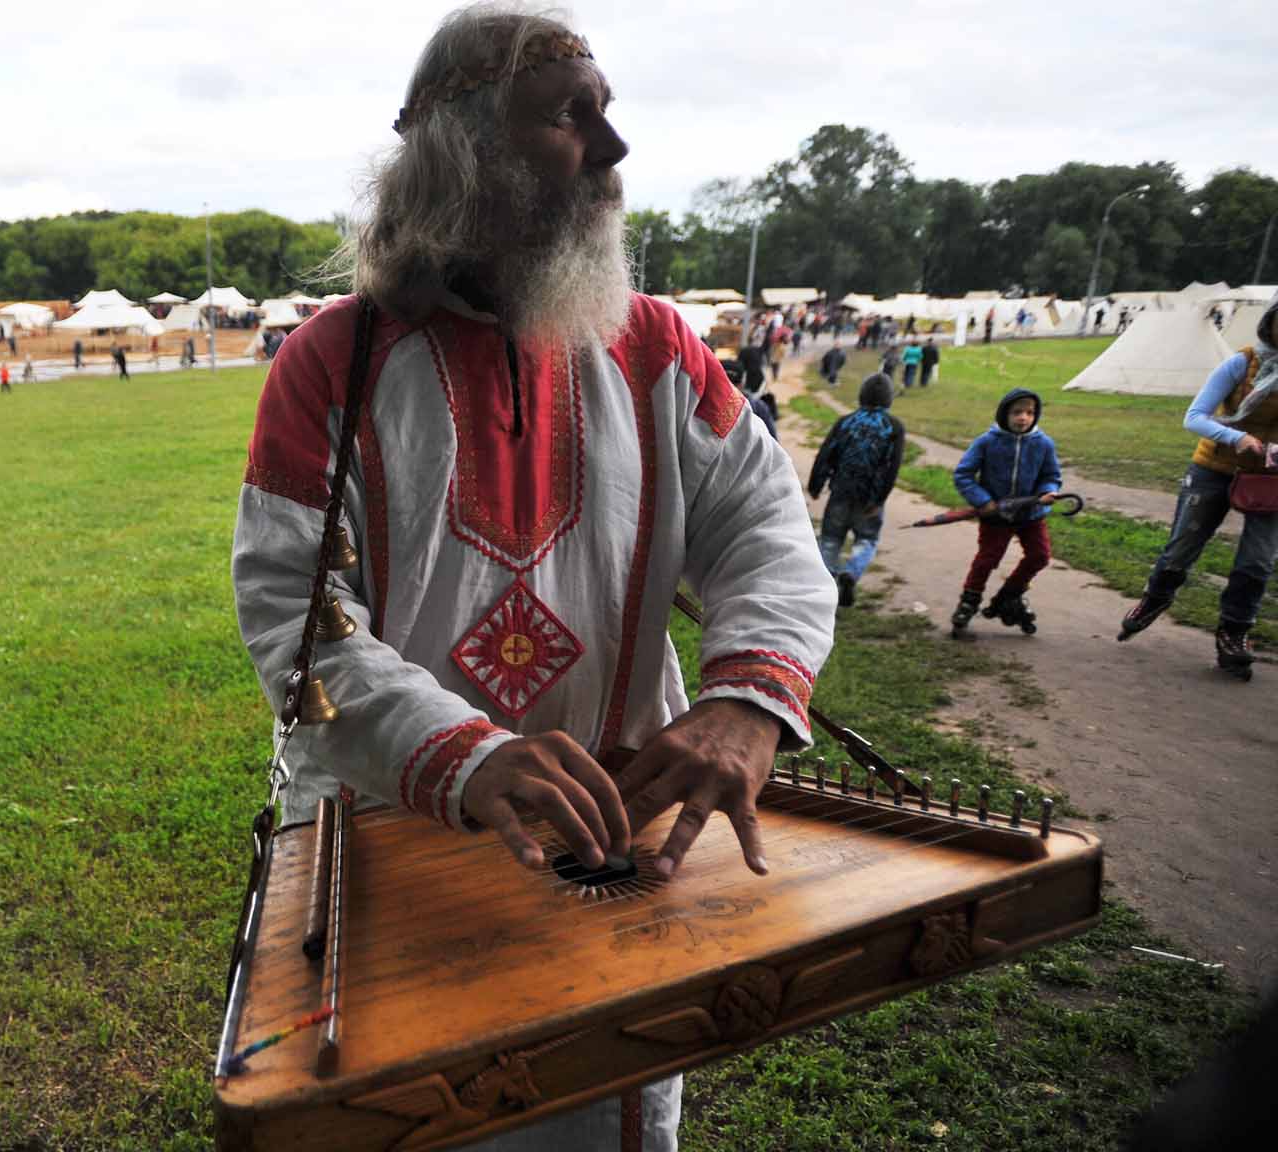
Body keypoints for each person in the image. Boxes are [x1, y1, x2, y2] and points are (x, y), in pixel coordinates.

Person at [231, 10, 835, 1149]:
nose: (613, 150)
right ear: (465, 152)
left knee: (605, 1112)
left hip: (617, 841)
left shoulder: (658, 348)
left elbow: (763, 533)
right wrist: (465, 755)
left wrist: (747, 701)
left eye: (607, 115)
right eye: (570, 118)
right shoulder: (329, 364)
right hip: (396, 838)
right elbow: (295, 617)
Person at [1117, 297, 1278, 678]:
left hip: (1269, 475)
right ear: (1270, 322)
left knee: (1257, 561)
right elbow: (1195, 417)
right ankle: (1155, 599)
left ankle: (1233, 633)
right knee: (1182, 546)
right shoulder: (1242, 363)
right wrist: (1236, 438)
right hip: (1215, 467)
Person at [948, 389, 1063, 636]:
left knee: (1039, 556)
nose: (1023, 417)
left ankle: (1008, 596)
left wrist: (1047, 492)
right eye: (1017, 412)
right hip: (996, 515)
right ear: (1004, 414)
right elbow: (963, 475)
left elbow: (1051, 476)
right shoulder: (987, 441)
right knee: (987, 559)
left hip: (1031, 515)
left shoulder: (1043, 443)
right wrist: (983, 501)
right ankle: (969, 602)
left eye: (1030, 412)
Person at [809, 374, 906, 608]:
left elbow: (826, 454)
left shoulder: (845, 422)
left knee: (830, 539)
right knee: (867, 539)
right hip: (869, 498)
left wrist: (815, 484)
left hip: (840, 493)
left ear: (861, 395)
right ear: (889, 399)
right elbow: (892, 467)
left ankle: (826, 585)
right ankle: (851, 572)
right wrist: (879, 499)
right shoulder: (894, 427)